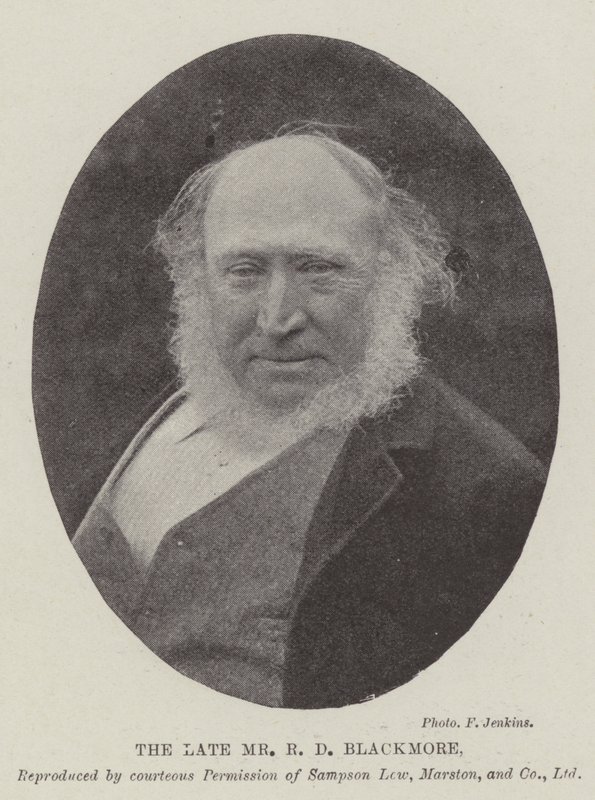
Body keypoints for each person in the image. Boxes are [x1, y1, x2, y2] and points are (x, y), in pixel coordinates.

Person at [73, 129, 546, 708]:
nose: (277, 320)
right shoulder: (160, 407)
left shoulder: (485, 490)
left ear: (391, 275)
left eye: (317, 269)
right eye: (245, 271)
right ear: (198, 279)